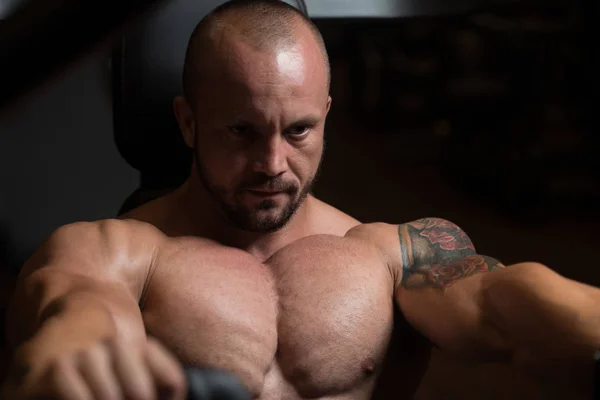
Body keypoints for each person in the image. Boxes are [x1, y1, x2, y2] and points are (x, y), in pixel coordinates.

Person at [2, 1, 599, 399]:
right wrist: (75, 342)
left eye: (298, 131)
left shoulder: (392, 253)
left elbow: (500, 299)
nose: (272, 164)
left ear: (327, 118)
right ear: (188, 123)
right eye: (241, 131)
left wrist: (571, 315)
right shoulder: (115, 249)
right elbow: (76, 304)